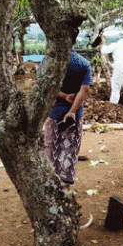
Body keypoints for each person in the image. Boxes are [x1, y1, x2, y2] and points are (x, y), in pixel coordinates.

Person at [42, 38, 92, 189]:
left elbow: (43, 85)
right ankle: (65, 187)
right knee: (69, 150)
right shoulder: (83, 63)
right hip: (73, 117)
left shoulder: (48, 62)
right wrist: (71, 111)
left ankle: (49, 184)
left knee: (50, 147)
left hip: (54, 113)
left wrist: (63, 96)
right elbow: (85, 89)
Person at [100, 39, 123, 107]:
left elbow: (103, 51)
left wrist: (103, 44)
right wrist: (112, 64)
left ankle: (113, 105)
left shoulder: (116, 45)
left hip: (120, 70)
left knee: (116, 88)